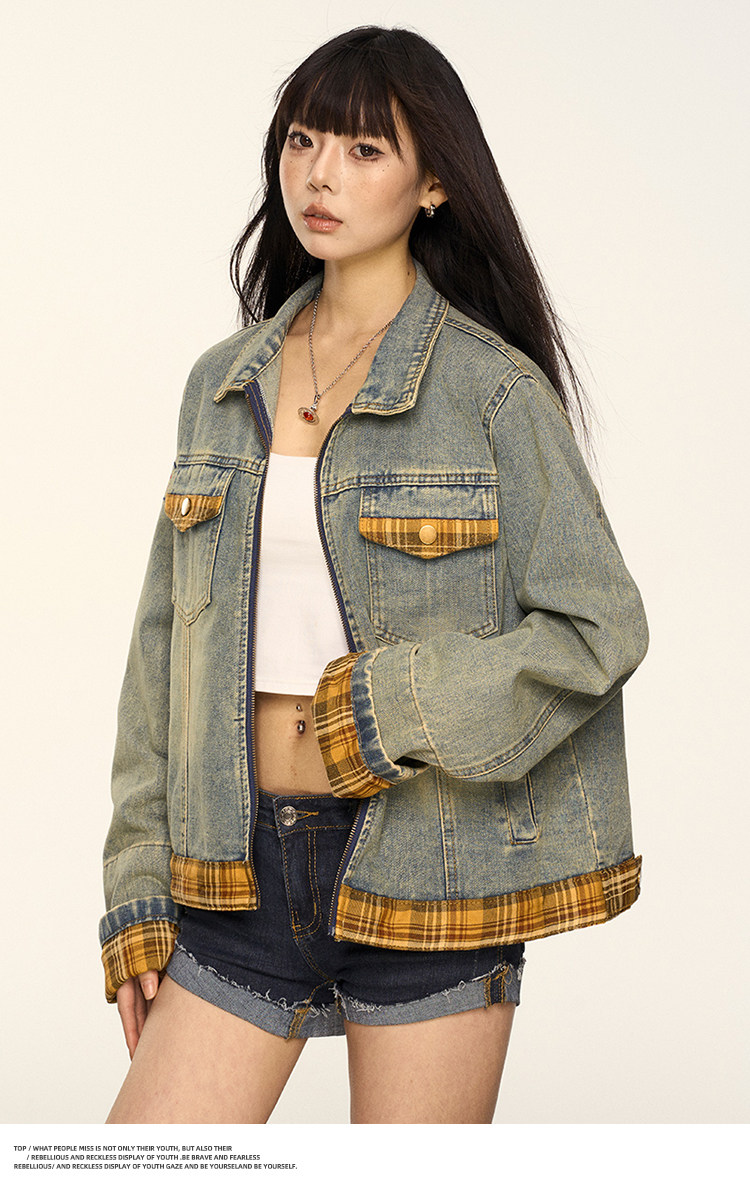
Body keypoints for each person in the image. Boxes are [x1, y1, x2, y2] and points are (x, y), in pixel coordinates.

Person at [100, 26, 648, 1124]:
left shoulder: (493, 394)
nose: (320, 175)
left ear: (433, 182)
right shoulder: (222, 385)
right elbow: (163, 645)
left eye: (363, 150)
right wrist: (137, 883)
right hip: (235, 870)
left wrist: (390, 705)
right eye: (303, 141)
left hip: (433, 865)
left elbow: (600, 626)